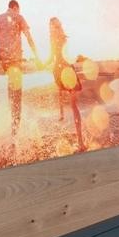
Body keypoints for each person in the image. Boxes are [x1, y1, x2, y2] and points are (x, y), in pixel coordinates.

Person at [0, 0, 38, 132]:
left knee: (11, 86)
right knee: (18, 95)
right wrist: (37, 56)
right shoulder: (19, 17)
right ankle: (15, 132)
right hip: (15, 58)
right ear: (15, 7)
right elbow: (29, 37)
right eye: (18, 9)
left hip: (3, 59)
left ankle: (11, 114)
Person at [46, 18, 87, 151]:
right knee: (74, 105)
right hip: (67, 69)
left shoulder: (53, 39)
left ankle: (62, 114)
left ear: (53, 27)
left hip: (60, 70)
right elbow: (66, 55)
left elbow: (51, 57)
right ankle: (80, 142)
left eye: (52, 26)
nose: (52, 28)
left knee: (67, 98)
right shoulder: (63, 38)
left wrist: (41, 64)